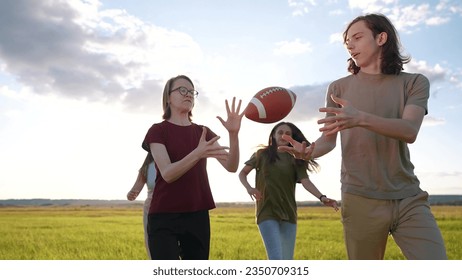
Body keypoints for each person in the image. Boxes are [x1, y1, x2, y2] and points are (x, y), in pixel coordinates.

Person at [280, 13, 447, 260]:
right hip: (359, 198)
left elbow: (409, 130)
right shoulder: (338, 88)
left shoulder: (414, 83)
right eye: (347, 42)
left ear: (381, 38)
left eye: (357, 37)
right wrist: (309, 152)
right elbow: (328, 140)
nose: (350, 45)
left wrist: (360, 118)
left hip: (408, 196)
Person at [142, 74, 244, 260]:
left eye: (191, 91)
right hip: (164, 216)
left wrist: (233, 134)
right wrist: (198, 153)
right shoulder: (157, 131)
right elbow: (167, 173)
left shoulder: (202, 132)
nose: (188, 94)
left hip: (197, 216)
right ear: (168, 98)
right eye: (182, 90)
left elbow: (231, 166)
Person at [239, 121, 338, 260]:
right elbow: (242, 173)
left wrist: (322, 197)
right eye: (280, 132)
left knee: (287, 261)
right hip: (266, 212)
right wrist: (249, 188)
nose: (283, 136)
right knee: (276, 259)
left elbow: (306, 182)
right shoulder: (262, 154)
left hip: (289, 214)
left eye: (287, 133)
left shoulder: (296, 158)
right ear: (273, 135)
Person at [127, 153, 156, 259]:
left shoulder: (172, 161)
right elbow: (135, 189)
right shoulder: (147, 167)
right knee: (151, 240)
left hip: (170, 206)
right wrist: (130, 194)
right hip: (150, 209)